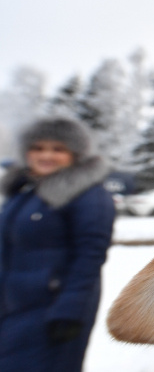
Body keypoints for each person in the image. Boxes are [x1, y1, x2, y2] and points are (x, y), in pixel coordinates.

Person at [0, 118, 115, 372]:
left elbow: (90, 256)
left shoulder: (89, 195)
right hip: (11, 306)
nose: (46, 155)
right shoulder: (24, 192)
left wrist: (70, 310)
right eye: (38, 148)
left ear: (75, 154)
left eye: (57, 149)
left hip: (52, 311)